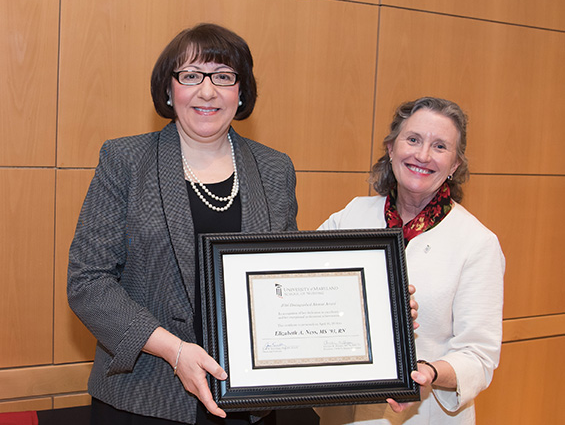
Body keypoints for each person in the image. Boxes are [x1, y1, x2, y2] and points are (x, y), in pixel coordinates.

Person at [67, 23, 297, 424]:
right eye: (190, 76)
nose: (207, 91)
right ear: (169, 90)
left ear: (241, 92)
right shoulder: (126, 161)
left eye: (223, 77)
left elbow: (285, 276)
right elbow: (88, 282)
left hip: (248, 398)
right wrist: (174, 350)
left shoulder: (274, 168)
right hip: (143, 396)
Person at [316, 97, 505, 425]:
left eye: (440, 146)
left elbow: (479, 356)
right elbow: (306, 285)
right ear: (391, 148)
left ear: (455, 165)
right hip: (344, 412)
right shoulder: (351, 216)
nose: (423, 155)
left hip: (424, 415)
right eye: (413, 139)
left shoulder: (477, 243)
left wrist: (429, 373)